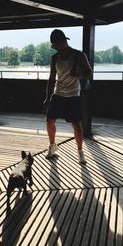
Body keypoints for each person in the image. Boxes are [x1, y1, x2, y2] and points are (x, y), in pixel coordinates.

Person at [43, 29, 92, 163]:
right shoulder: (54, 58)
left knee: (76, 125)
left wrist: (79, 74)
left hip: (73, 95)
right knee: (49, 121)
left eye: (57, 45)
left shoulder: (79, 55)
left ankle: (80, 152)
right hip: (58, 94)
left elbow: (89, 73)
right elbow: (52, 78)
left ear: (64, 41)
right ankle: (52, 146)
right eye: (54, 46)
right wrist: (48, 97)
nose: (56, 48)